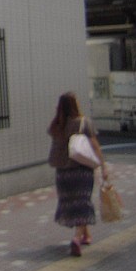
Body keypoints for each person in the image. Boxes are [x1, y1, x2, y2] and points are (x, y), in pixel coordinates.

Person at [47, 91, 108, 257]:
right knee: (83, 203)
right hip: (81, 171)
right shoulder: (83, 122)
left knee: (74, 204)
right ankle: (76, 238)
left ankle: (86, 235)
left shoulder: (56, 125)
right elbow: (95, 146)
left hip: (62, 174)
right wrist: (103, 167)